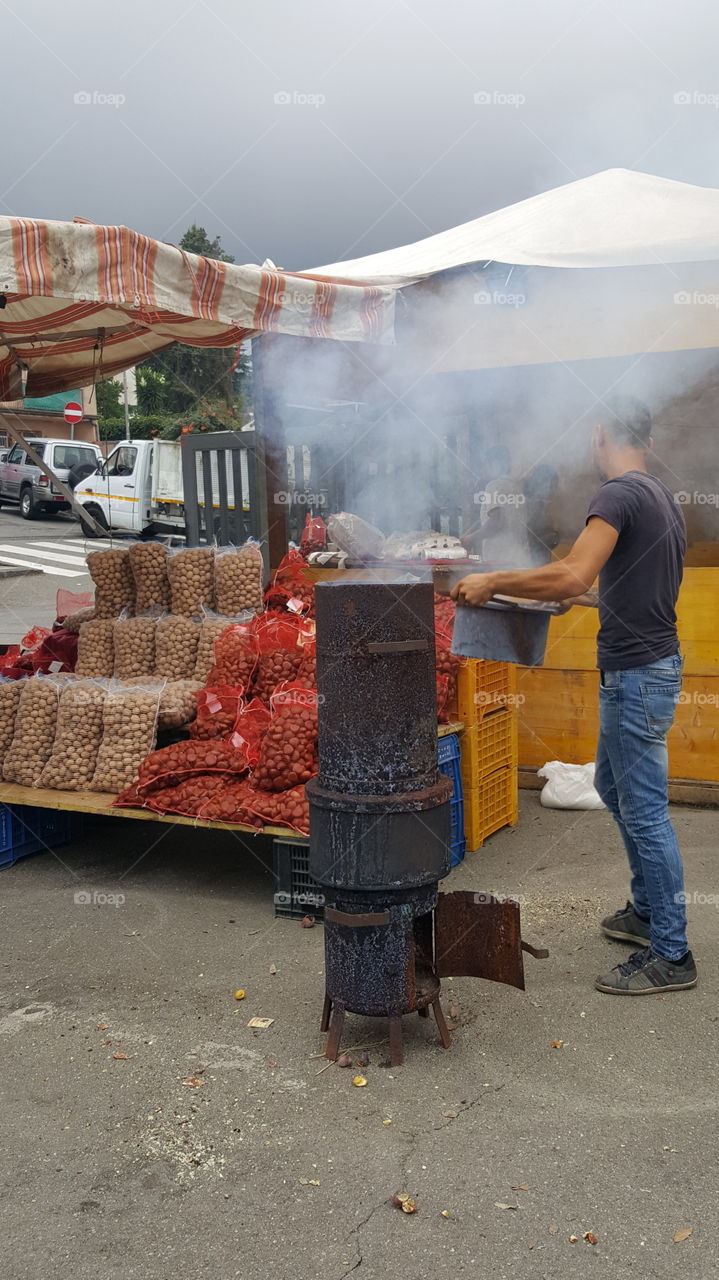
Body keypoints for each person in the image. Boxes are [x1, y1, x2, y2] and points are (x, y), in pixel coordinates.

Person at [451, 396, 696, 995]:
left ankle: (672, 952)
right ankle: (645, 913)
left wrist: (493, 580)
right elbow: (635, 587)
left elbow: (572, 572)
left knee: (643, 811)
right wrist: (580, 600)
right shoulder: (662, 499)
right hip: (651, 667)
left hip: (637, 678)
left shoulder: (616, 494)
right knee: (613, 788)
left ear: (601, 434)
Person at [472, 445, 531, 565]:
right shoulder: (516, 487)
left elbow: (496, 522)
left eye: (487, 464)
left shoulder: (495, 485)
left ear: (496, 464)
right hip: (520, 560)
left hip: (501, 562)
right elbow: (493, 519)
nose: (484, 469)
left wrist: (470, 539)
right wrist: (473, 532)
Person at [522, 464, 560, 566]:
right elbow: (532, 537)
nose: (552, 490)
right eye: (551, 485)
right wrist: (554, 536)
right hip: (531, 562)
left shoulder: (538, 503)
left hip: (538, 561)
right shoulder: (533, 504)